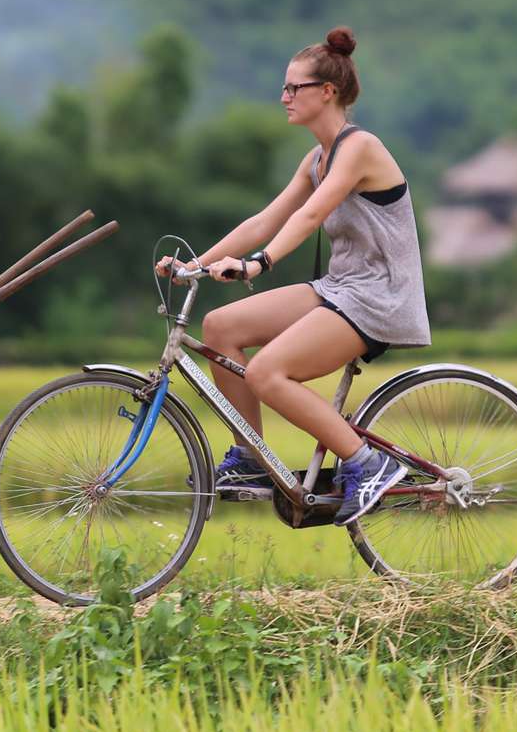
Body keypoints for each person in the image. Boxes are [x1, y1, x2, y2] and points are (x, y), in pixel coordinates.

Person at [154, 26, 430, 525]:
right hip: (340, 289)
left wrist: (259, 263)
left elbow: (307, 218)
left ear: (327, 92)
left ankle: (368, 463)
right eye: (284, 87)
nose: (283, 97)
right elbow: (265, 220)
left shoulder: (360, 148)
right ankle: (252, 461)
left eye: (293, 88)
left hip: (378, 297)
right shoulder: (317, 158)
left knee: (266, 372)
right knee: (220, 328)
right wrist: (194, 266)